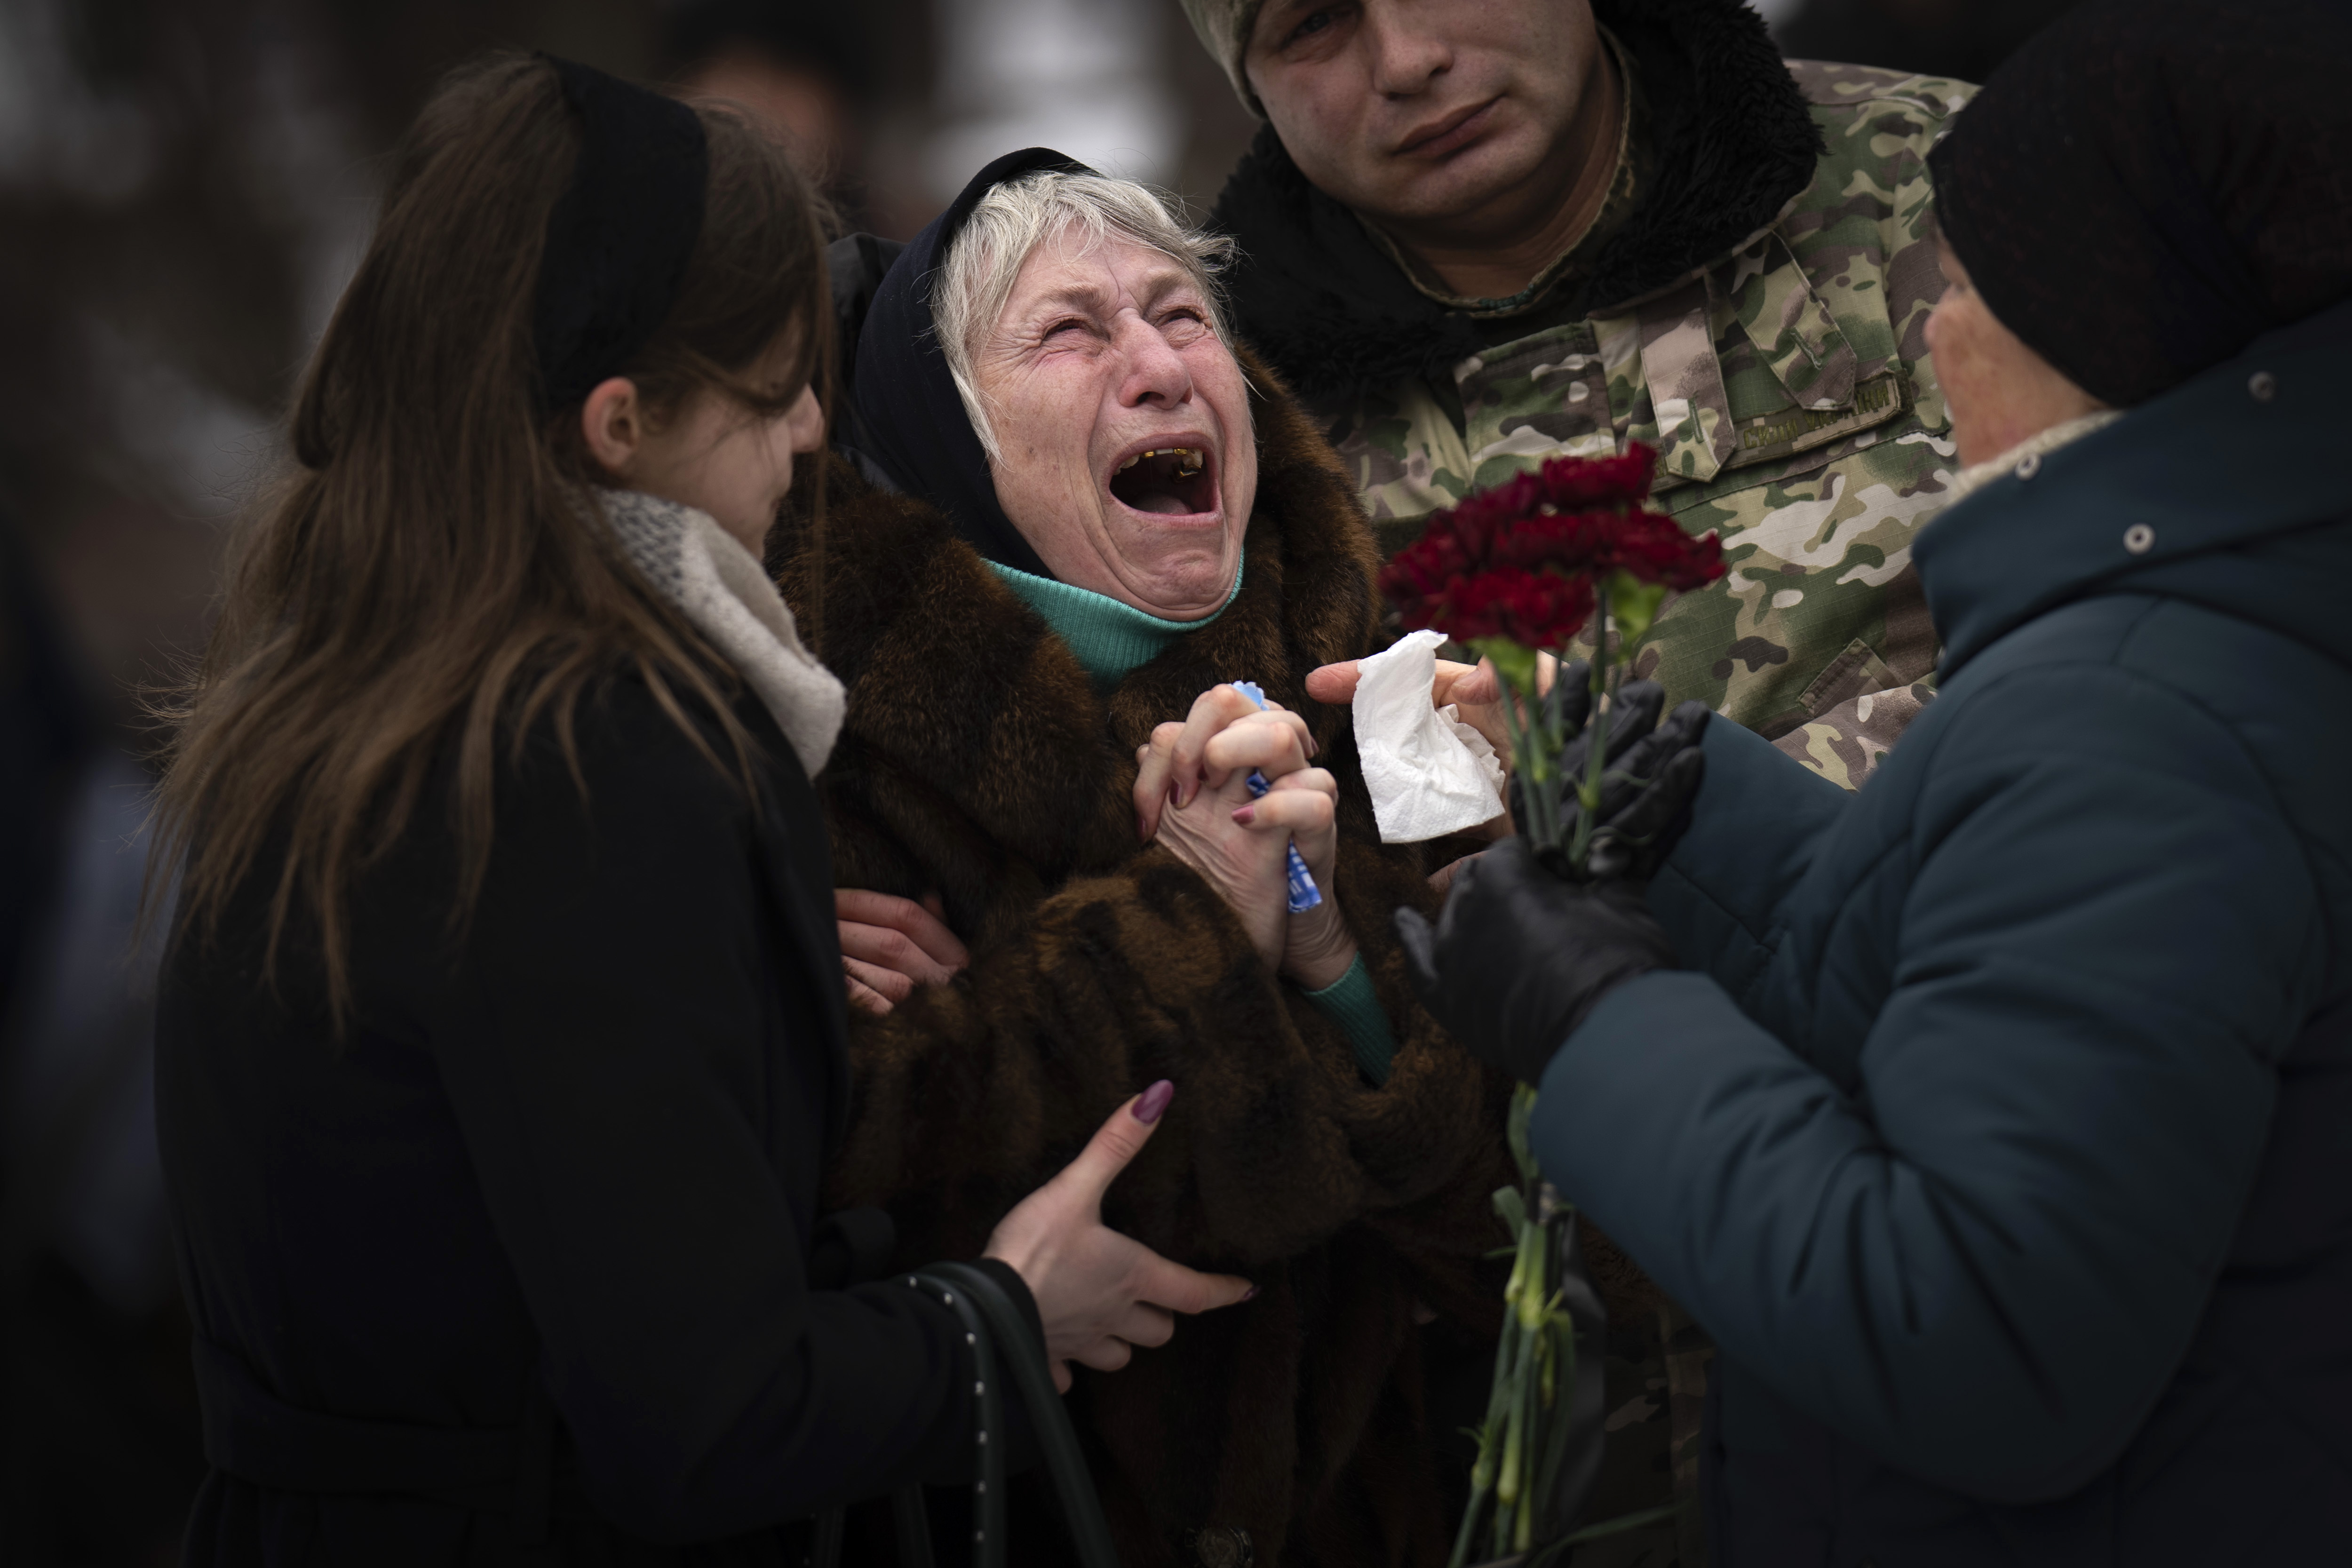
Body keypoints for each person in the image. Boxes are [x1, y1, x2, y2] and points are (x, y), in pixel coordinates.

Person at [150, 56, 1250, 1563]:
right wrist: (1000, 1311)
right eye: (776, 384)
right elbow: (708, 1416)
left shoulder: (340, 689)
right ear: (621, 423)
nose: (810, 436)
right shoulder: (588, 755)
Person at [1397, 1, 2352, 1560]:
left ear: (2106, 325)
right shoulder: (2208, 639)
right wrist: (1682, 802)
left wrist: (1594, 1018)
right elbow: (2008, 990)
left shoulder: (2130, 729)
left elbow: (1975, 1332)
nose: (1926, 331)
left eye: (1965, 281)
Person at [772, 150, 1512, 1566]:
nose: (1161, 364)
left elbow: (1532, 1223)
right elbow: (826, 1216)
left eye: (1182, 314)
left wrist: (1340, 963)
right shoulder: (827, 755)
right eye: (1069, 329)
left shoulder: (1376, 681)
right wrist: (1180, 931)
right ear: (948, 436)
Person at [1184, 0, 1970, 796]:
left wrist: (1665, 834)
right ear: (1251, 81)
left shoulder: (1955, 180)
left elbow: (2089, 651)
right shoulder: (1216, 425)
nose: (1405, 60)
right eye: (1314, 21)